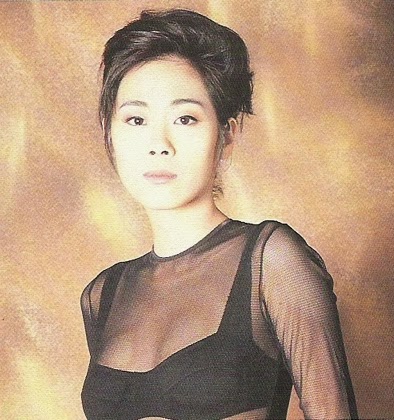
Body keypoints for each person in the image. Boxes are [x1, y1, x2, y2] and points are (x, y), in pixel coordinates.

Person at [80, 9, 358, 420]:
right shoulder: (102, 294)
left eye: (185, 118)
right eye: (136, 119)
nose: (159, 143)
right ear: (110, 133)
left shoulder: (271, 261)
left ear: (226, 136)